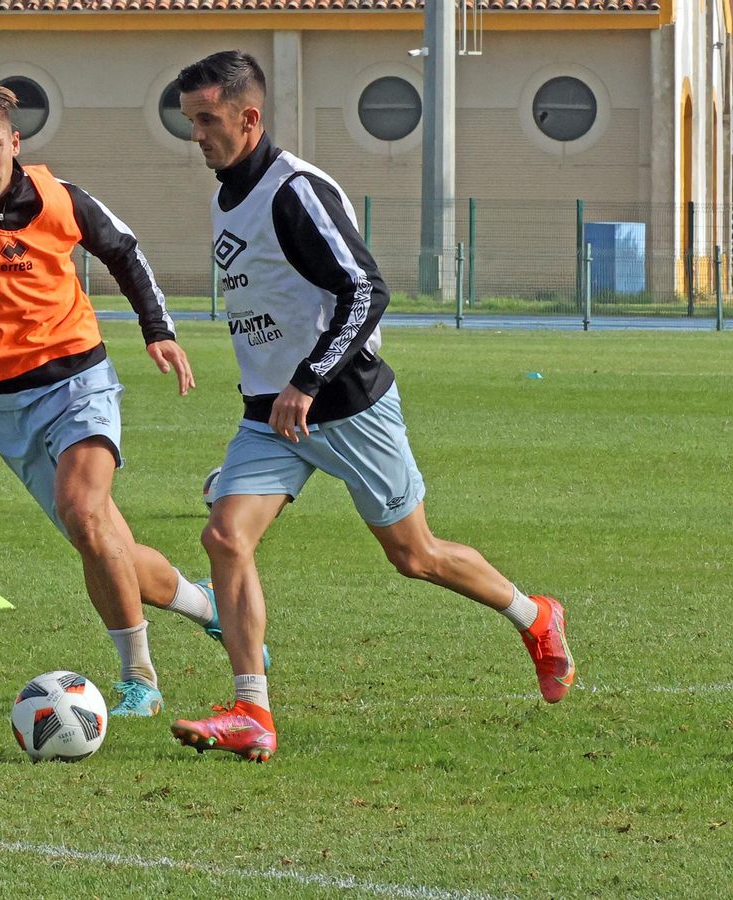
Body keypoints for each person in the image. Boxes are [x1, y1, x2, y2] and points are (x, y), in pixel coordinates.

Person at [166, 52, 574, 762]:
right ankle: (251, 711)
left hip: (344, 402)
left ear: (248, 117)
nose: (195, 134)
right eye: (190, 121)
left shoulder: (294, 192)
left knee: (414, 555)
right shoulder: (226, 195)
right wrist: (280, 390)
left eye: (206, 120)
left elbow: (365, 290)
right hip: (271, 415)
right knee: (225, 538)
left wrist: (308, 380)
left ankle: (535, 615)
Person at [0, 78, 266, 717]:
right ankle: (204, 604)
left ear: (14, 141)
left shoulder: (58, 198)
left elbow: (124, 250)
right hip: (2, 408)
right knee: (100, 541)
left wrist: (158, 331)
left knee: (84, 513)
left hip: (79, 379)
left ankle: (138, 680)